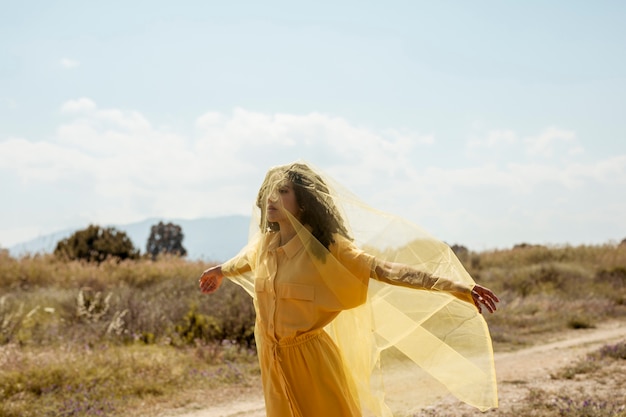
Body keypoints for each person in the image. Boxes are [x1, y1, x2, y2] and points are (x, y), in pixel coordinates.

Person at [199, 162, 499, 417]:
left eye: (283, 191)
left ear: (303, 202)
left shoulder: (328, 250)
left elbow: (387, 270)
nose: (272, 199)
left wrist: (456, 287)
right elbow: (243, 261)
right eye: (269, 192)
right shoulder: (264, 245)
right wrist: (220, 271)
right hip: (272, 360)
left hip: (312, 361)